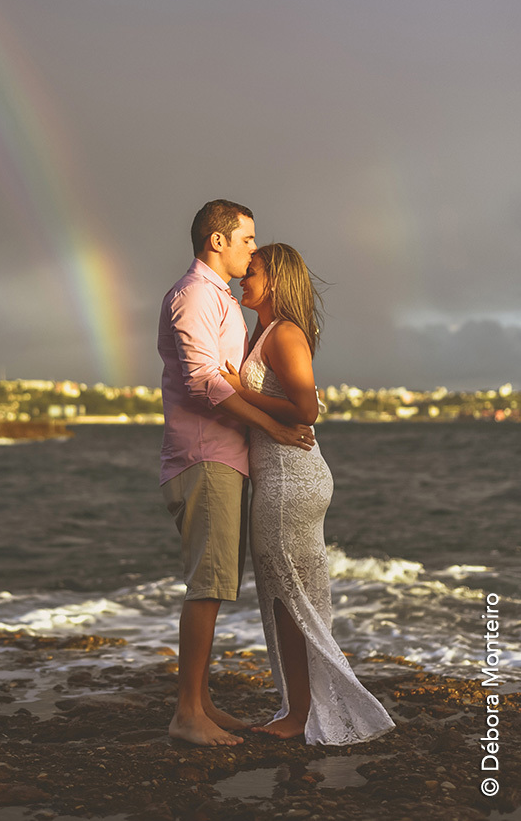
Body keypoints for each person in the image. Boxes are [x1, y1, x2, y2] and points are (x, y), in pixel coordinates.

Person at [220, 243, 395, 745]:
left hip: (290, 479)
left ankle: (301, 715)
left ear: (275, 280)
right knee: (290, 598)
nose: (243, 277)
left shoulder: (286, 333)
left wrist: (239, 392)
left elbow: (306, 408)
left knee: (289, 600)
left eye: (252, 272)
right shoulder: (265, 331)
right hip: (282, 477)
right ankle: (306, 707)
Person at [158, 202, 315, 747]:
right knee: (209, 584)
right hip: (206, 455)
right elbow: (203, 382)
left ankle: (201, 702)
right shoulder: (196, 295)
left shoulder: (221, 299)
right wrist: (271, 426)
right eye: (247, 239)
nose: (253, 250)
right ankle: (187, 713)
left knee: (217, 581)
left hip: (226, 457)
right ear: (217, 241)